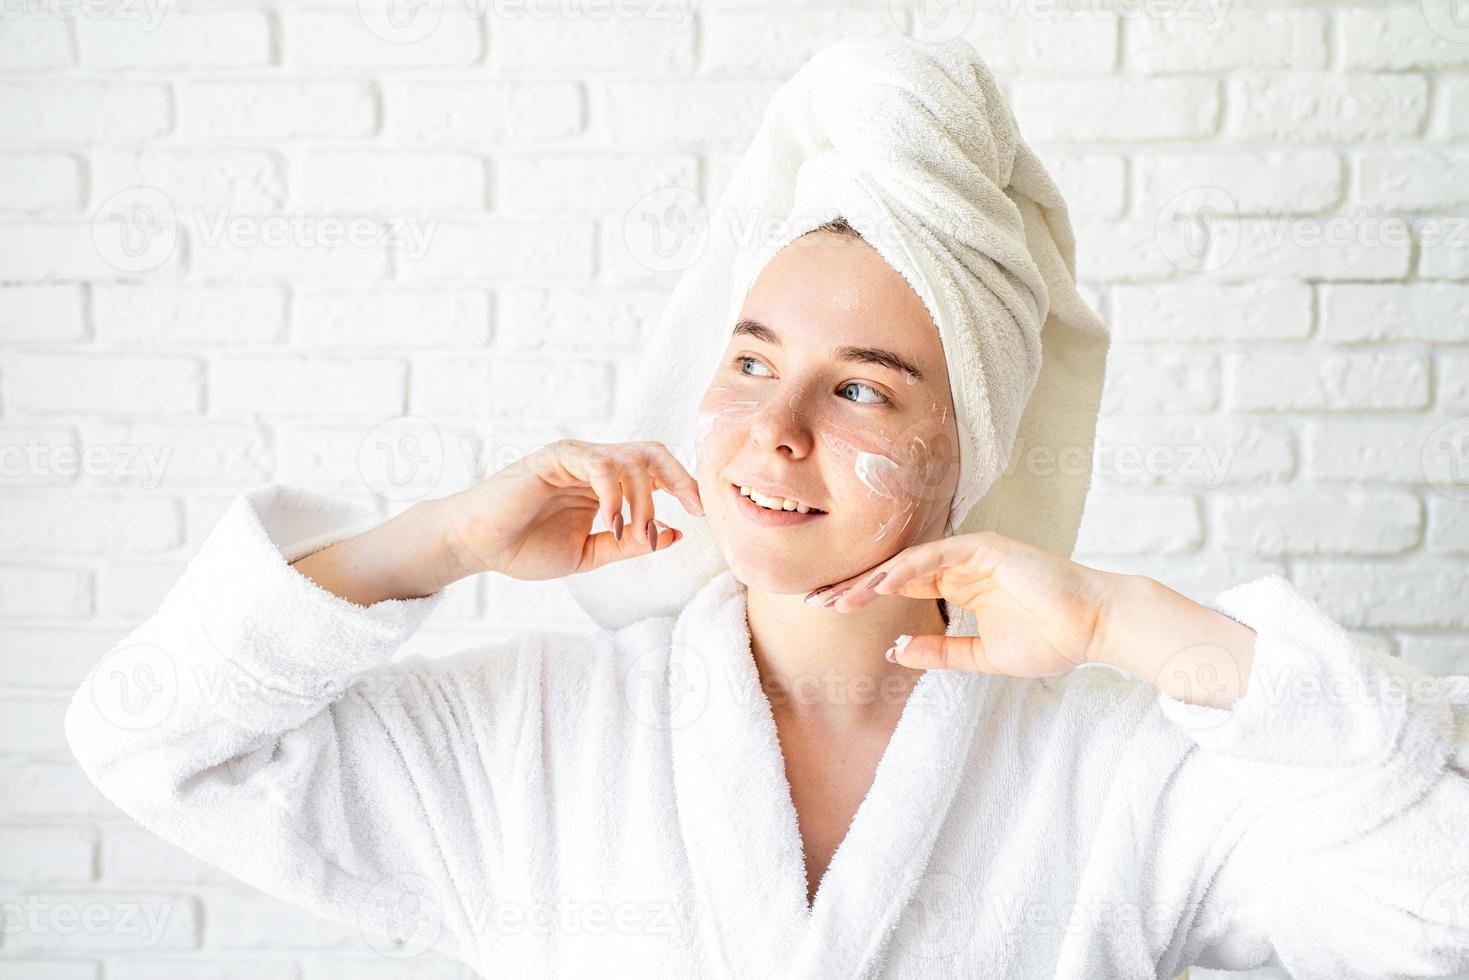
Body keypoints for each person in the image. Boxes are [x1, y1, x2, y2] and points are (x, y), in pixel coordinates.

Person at [66, 36, 1469, 980]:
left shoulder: (1122, 776)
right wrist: (439, 542)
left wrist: (1126, 622)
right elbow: (158, 744)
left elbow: (1439, 901)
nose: (773, 430)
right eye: (748, 364)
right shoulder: (530, 733)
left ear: (964, 443)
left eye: (862, 390)